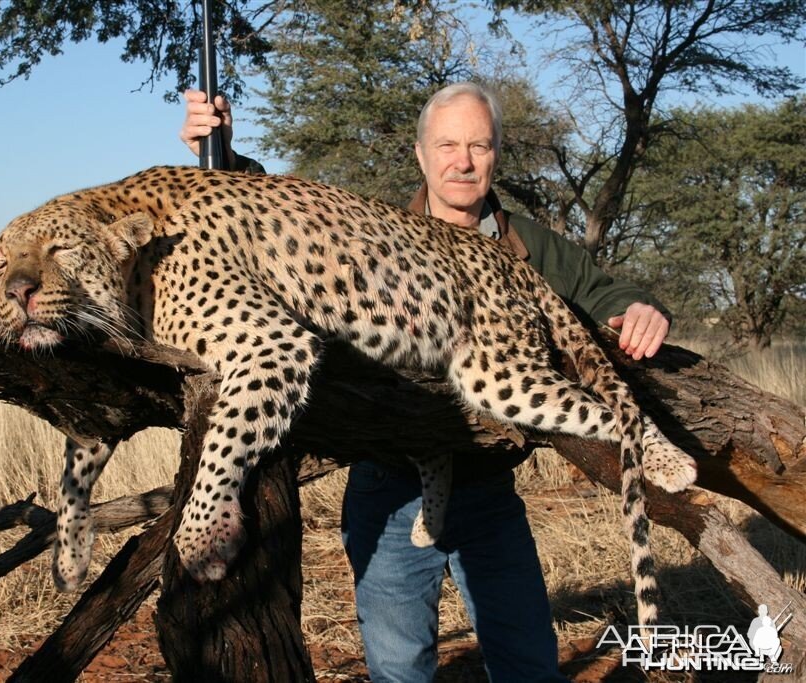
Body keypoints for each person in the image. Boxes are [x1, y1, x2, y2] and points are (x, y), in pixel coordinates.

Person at [179, 83, 671, 682]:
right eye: (447, 145)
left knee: (528, 665)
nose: (462, 161)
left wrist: (638, 307)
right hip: (388, 488)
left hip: (487, 490)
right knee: (399, 668)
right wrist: (227, 157)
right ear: (420, 154)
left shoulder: (527, 245)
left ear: (495, 155)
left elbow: (599, 292)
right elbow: (279, 224)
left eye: (478, 145)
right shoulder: (373, 225)